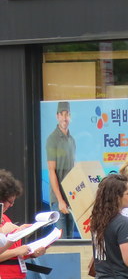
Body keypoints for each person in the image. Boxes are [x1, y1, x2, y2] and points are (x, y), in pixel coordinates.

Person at [45, 101, 76, 237]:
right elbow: (52, 171)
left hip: (71, 197)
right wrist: (60, 200)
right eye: (62, 114)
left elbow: (73, 170)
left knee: (72, 239)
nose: (65, 118)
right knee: (62, 241)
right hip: (59, 199)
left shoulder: (72, 140)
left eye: (67, 114)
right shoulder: (52, 139)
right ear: (57, 116)